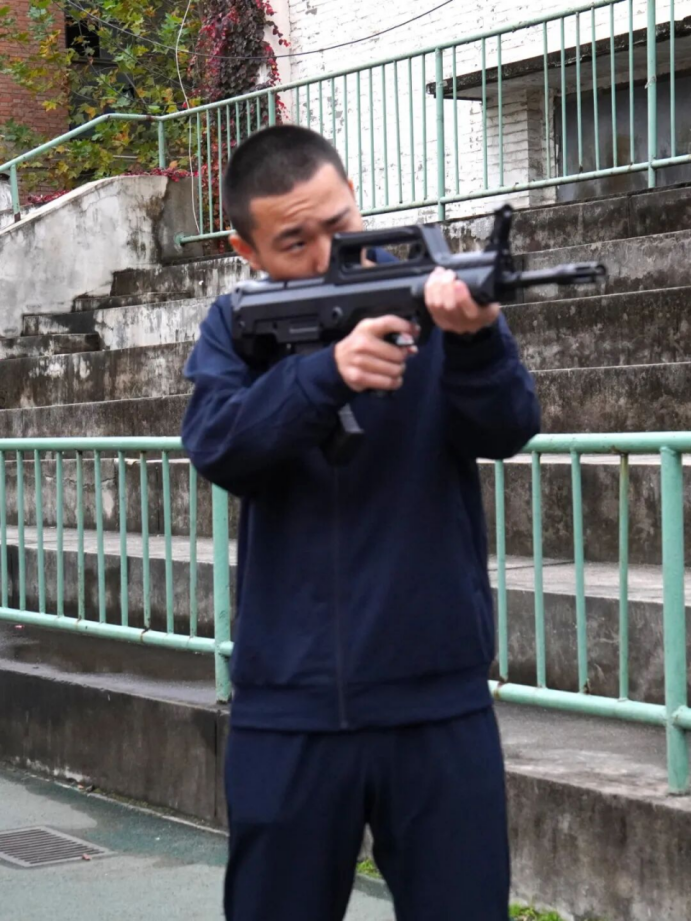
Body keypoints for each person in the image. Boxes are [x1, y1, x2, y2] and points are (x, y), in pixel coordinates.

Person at [182, 125, 541, 921]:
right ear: (246, 249)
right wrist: (324, 376)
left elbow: (509, 427)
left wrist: (475, 341)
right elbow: (216, 443)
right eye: (294, 242)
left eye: (339, 225)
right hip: (290, 708)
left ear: (356, 196)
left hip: (437, 701)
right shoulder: (236, 325)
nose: (326, 254)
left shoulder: (434, 296)